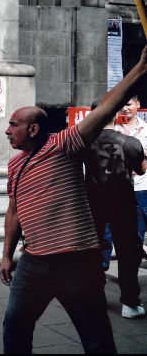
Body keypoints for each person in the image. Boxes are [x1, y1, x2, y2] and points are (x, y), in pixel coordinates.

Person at [0, 43, 147, 354]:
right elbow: (13, 211)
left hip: (76, 262)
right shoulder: (15, 164)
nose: (7, 131)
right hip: (33, 261)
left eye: (13, 125)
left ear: (34, 128)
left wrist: (141, 68)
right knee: (15, 327)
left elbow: (106, 108)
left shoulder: (64, 145)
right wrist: (6, 255)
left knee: (96, 338)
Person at [84, 101, 146, 318]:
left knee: (93, 250)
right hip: (124, 202)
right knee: (128, 253)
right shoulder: (131, 142)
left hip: (93, 202)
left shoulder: (84, 142)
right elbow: (140, 170)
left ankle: (93, 298)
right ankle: (130, 303)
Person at [116, 95, 147, 259]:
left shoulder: (146, 129)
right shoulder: (113, 128)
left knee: (137, 229)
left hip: (140, 187)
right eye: (122, 104)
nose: (125, 108)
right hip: (116, 187)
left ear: (137, 105)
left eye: (128, 104)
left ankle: (133, 261)